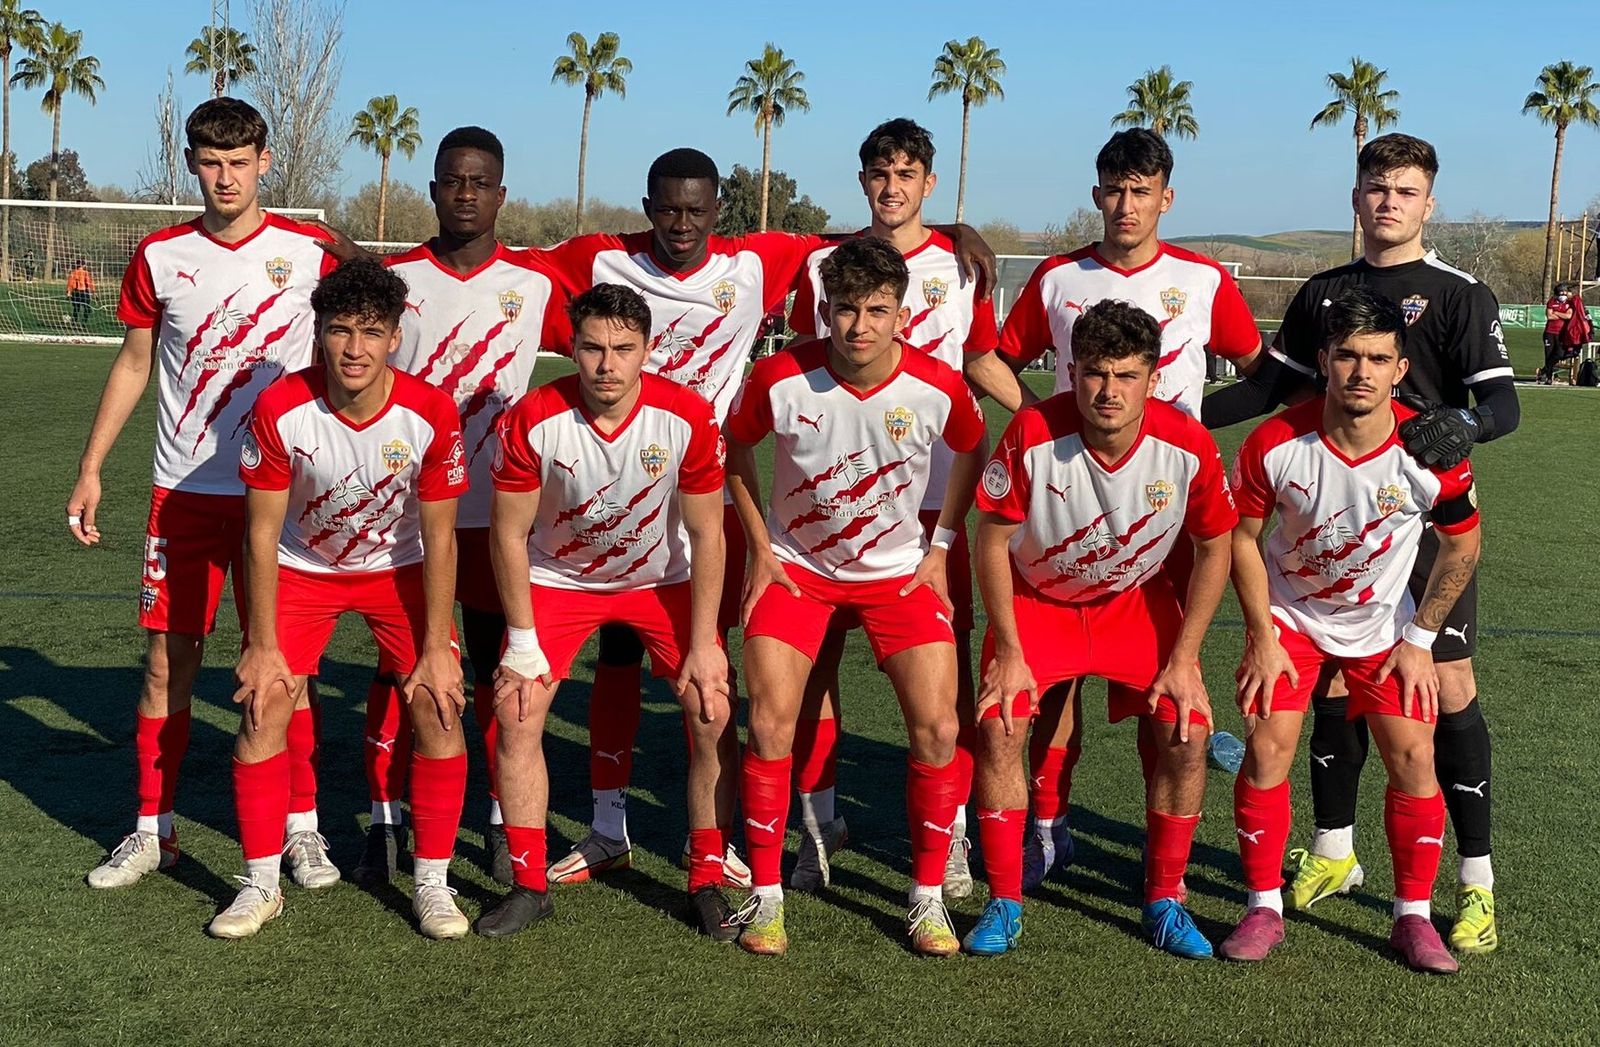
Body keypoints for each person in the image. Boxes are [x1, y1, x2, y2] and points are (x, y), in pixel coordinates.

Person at [535, 147, 996, 885]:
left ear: (721, 210)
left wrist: (948, 228)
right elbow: (501, 259)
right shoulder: (601, 257)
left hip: (708, 502)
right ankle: (607, 824)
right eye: (668, 208)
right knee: (617, 658)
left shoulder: (757, 260)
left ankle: (712, 839)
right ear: (647, 206)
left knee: (708, 672)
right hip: (611, 494)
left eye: (697, 209)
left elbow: (865, 242)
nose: (681, 223)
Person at [1202, 133, 1517, 954]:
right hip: (1325, 507)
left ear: (1427, 202)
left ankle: (1474, 882)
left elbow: (1504, 408)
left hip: (1417, 508)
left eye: (1405, 191)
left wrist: (1467, 425)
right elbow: (1269, 391)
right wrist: (1168, 416)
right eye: (1376, 187)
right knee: (1327, 697)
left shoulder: (1459, 293)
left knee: (1441, 688)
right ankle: (1334, 853)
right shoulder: (1324, 291)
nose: (1389, 202)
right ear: (1356, 196)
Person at [963, 128, 1262, 890]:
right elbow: (990, 354)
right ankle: (1050, 830)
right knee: (1050, 688)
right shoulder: (1061, 278)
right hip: (1068, 504)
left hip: (1168, 512)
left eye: (1142, 191)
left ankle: (1162, 876)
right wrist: (1041, 416)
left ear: (1167, 197)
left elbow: (1261, 371)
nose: (1126, 205)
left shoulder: (1202, 279)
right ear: (1097, 195)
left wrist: (1193, 438)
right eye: (1113, 190)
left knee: (1168, 692)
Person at [69, 97, 341, 891]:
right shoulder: (159, 255)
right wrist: (91, 466)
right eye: (210, 162)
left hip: (280, 497)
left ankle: (302, 828)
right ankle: (152, 829)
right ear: (192, 163)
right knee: (165, 666)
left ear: (265, 161)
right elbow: (132, 362)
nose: (225, 177)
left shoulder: (311, 251)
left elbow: (369, 333)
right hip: (181, 493)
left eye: (239, 161)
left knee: (286, 670)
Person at [724, 237, 988, 957]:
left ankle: (928, 898)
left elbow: (974, 446)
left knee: (937, 728)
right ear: (823, 310)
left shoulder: (935, 383)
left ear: (903, 312)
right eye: (845, 309)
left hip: (898, 574)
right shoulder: (779, 376)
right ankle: (768, 895)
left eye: (877, 310)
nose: (860, 326)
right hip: (798, 573)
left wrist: (940, 546)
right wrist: (760, 547)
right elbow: (735, 447)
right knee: (773, 725)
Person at [965, 299, 1235, 960]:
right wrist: (1009, 650)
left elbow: (1217, 547)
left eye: (1125, 375)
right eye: (1092, 373)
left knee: (1187, 727)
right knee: (1002, 722)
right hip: (1038, 598)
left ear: (1152, 375)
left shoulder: (1187, 443)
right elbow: (992, 540)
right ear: (1069, 370)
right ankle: (1004, 899)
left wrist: (1187, 655)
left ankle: (1166, 896)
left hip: (1131, 601)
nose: (1108, 390)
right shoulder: (1033, 431)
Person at [1222, 287, 1480, 975]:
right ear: (1324, 360)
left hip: (1382, 627)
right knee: (1269, 745)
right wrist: (1261, 635)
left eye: (1377, 357)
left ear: (1400, 368)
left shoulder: (1430, 453)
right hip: (1292, 617)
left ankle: (1413, 920)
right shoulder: (1276, 441)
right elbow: (1240, 539)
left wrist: (1421, 637)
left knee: (1415, 759)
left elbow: (1464, 546)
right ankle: (1262, 906)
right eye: (1347, 356)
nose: (1361, 370)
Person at [214, 258, 470, 940]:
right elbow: (260, 533)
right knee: (265, 702)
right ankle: (262, 882)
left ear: (394, 337)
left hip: (402, 570)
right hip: (304, 567)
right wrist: (262, 644)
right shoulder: (281, 406)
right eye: (338, 331)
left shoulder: (431, 411)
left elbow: (442, 540)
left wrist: (442, 646)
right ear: (318, 333)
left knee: (439, 706)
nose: (354, 348)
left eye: (370, 331)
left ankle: (433, 884)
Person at [477, 283, 737, 941]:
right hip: (559, 579)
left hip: (661, 580)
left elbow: (709, 533)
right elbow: (507, 533)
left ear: (647, 349)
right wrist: (521, 637)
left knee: (712, 708)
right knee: (516, 709)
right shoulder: (533, 416)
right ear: (571, 347)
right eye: (592, 347)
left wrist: (705, 638)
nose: (607, 364)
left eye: (623, 348)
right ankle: (529, 884)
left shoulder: (686, 415)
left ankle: (706, 876)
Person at [782, 117, 1000, 897]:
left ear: (929, 185)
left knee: (946, 685)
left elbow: (980, 361)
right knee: (812, 673)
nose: (892, 184)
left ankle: (956, 834)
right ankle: (819, 825)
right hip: (828, 508)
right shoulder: (819, 266)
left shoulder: (963, 265)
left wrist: (1050, 425)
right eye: (879, 170)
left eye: (907, 172)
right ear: (863, 179)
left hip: (933, 511)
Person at [358, 126, 571, 888]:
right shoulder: (393, 276)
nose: (467, 193)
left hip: (499, 516)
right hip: (403, 514)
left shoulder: (540, 281)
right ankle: (384, 819)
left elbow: (623, 323)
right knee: (401, 668)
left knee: (493, 668)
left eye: (482, 182)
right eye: (454, 180)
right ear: (434, 189)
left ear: (502, 194)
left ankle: (491, 806)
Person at [1539, 285, 1575, 383]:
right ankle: (1549, 378)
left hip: (1561, 333)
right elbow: (1550, 316)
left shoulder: (1569, 303)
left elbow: (1568, 316)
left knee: (1560, 354)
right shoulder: (1552, 302)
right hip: (1550, 332)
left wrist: (1557, 313)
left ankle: (1544, 370)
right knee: (1548, 355)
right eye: (1561, 292)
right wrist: (1561, 314)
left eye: (1565, 292)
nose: (1563, 294)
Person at [67, 259, 94, 325]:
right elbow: (88, 282)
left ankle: (74, 322)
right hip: (84, 292)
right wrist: (93, 291)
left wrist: (68, 292)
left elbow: (70, 283)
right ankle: (84, 322)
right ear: (83, 265)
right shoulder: (85, 273)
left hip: (75, 292)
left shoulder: (73, 273)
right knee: (87, 308)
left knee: (76, 308)